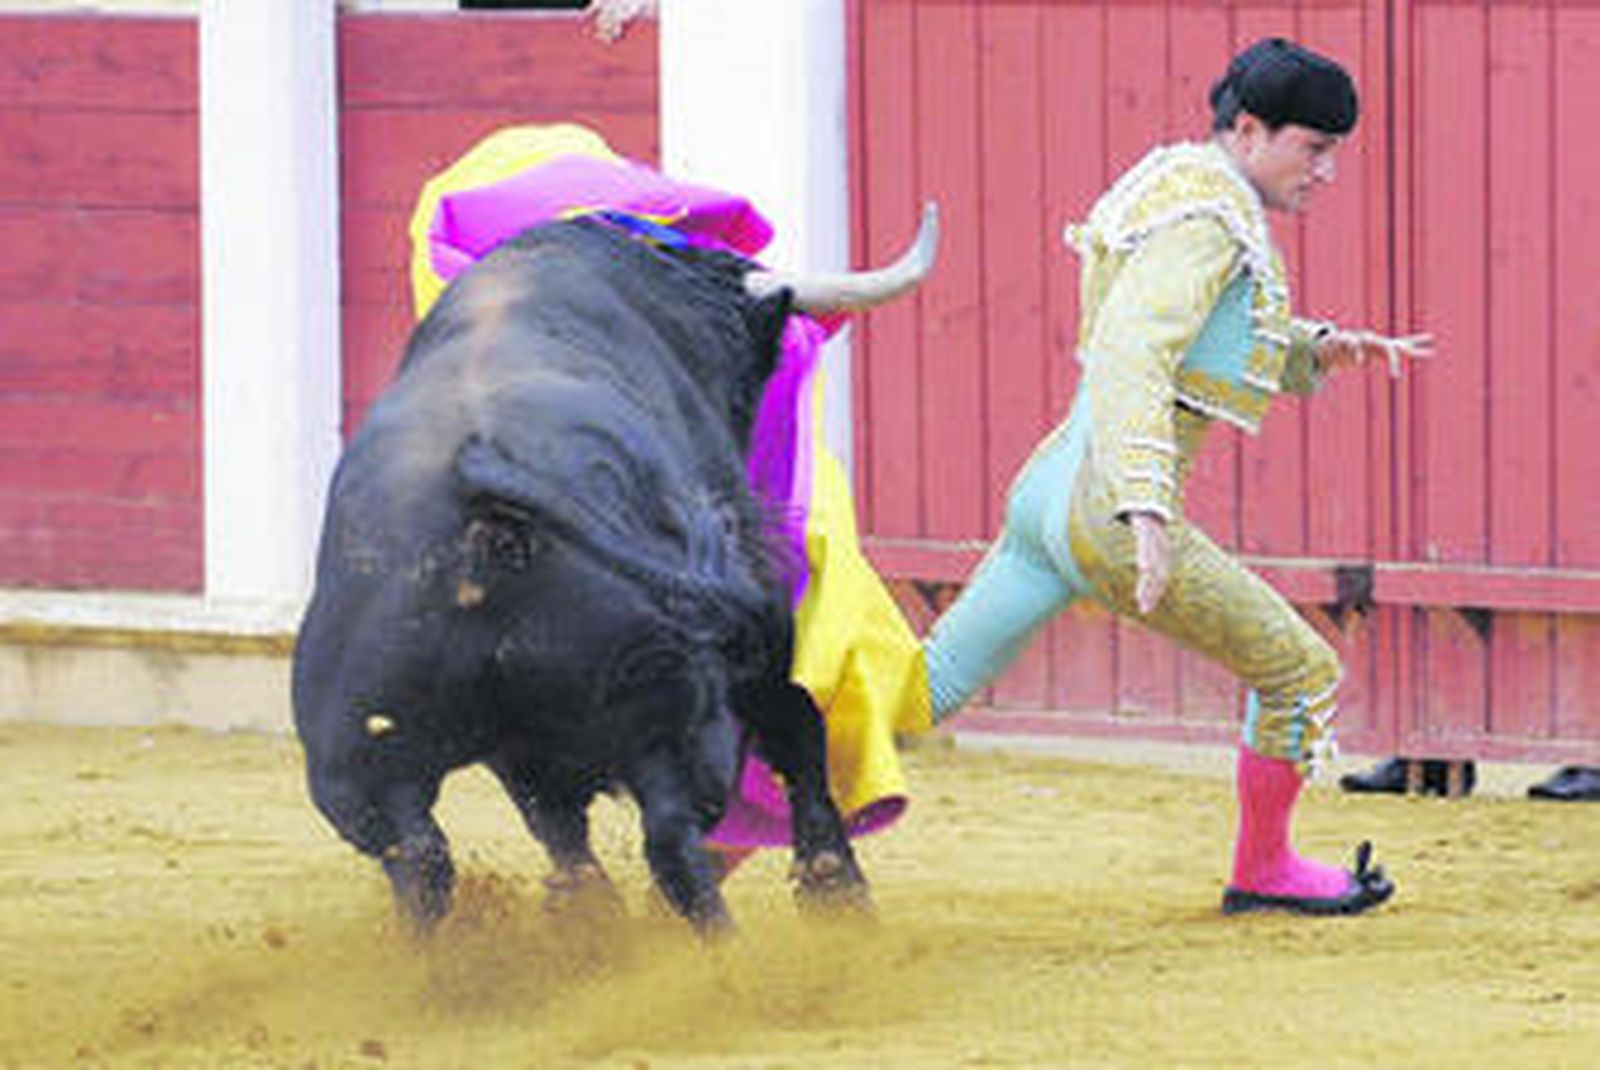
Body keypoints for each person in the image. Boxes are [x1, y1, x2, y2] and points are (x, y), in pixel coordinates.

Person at [921, 38, 1431, 916]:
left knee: (924, 688)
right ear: (1250, 129)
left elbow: (1190, 333)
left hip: (1050, 493)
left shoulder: (1185, 185)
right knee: (1300, 672)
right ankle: (1265, 869)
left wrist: (1317, 349)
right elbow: (1133, 351)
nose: (1328, 172)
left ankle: (718, 835)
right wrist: (1145, 506)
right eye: (1315, 148)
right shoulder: (1210, 223)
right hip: (1108, 511)